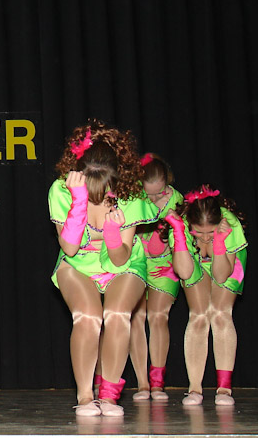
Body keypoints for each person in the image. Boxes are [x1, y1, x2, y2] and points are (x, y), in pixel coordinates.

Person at [47, 120, 158, 417]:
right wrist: (78, 203)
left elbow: (120, 259)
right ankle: (85, 396)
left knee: (117, 314)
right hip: (77, 263)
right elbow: (70, 248)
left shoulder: (131, 193)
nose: (99, 194)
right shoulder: (62, 190)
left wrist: (112, 233)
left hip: (123, 262)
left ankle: (109, 395)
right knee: (87, 317)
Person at [165, 184, 247, 406]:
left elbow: (221, 276)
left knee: (220, 313)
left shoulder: (229, 225)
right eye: (198, 232)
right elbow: (184, 272)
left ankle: (224, 388)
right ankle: (194, 389)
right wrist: (180, 234)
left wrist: (218, 242)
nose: (204, 237)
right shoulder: (181, 226)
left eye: (209, 232)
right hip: (193, 261)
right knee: (199, 315)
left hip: (226, 262)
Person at [128, 153, 184, 401]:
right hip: (138, 261)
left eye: (158, 193)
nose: (153, 198)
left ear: (167, 182)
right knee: (136, 317)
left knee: (159, 316)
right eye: (148, 194)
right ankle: (142, 383)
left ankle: (158, 382)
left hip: (165, 265)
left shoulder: (178, 202)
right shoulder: (133, 197)